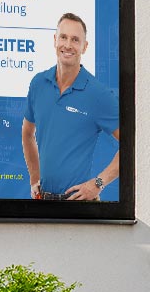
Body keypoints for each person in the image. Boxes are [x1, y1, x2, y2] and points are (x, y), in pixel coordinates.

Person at [21, 12, 121, 200]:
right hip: (43, 201)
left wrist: (98, 183)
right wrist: (34, 178)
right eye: (63, 37)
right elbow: (27, 134)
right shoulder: (38, 84)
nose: (67, 45)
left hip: (78, 204)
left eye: (75, 40)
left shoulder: (98, 94)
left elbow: (132, 145)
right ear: (55, 40)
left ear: (85, 47)